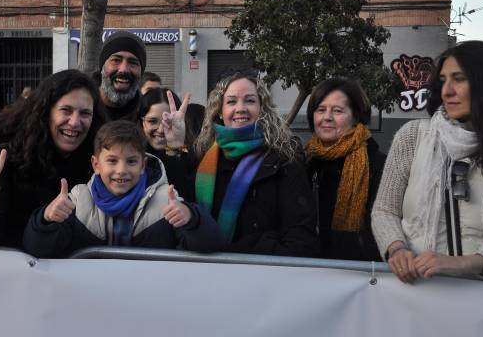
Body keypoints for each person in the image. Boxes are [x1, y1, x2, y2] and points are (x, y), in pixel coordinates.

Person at [372, 41, 483, 282]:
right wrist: (396, 248)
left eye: (458, 79)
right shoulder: (413, 136)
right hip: (416, 295)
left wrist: (467, 264)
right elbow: (385, 210)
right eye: (443, 80)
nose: (446, 90)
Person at [23, 120, 224, 258]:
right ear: (96, 164)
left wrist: (192, 219)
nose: (121, 170)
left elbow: (210, 245)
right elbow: (38, 249)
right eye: (112, 160)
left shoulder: (166, 200)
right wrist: (46, 220)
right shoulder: (78, 199)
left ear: (143, 165)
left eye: (131, 161)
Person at [0, 70, 105, 248]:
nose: (74, 122)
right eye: (66, 110)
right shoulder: (3, 155)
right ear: (46, 111)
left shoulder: (99, 160)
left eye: (85, 113)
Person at [191, 70, 319, 256]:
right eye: (231, 101)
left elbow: (300, 237)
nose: (240, 108)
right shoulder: (204, 157)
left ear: (262, 108)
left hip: (264, 275)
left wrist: (250, 251)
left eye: (250, 100)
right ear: (220, 110)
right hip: (211, 275)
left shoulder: (284, 159)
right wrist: (174, 147)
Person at [305, 78, 385, 261]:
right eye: (320, 110)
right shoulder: (304, 161)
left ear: (356, 116)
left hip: (361, 272)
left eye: (338, 111)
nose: (327, 117)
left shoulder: (378, 164)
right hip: (310, 267)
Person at [138, 87, 195, 196]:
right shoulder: (132, 157)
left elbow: (183, 199)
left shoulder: (193, 157)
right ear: (141, 121)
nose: (160, 129)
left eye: (168, 122)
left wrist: (174, 149)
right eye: (152, 121)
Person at [97, 31, 146, 122]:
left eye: (133, 63)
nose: (123, 70)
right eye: (116, 60)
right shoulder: (80, 109)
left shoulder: (147, 115)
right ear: (102, 66)